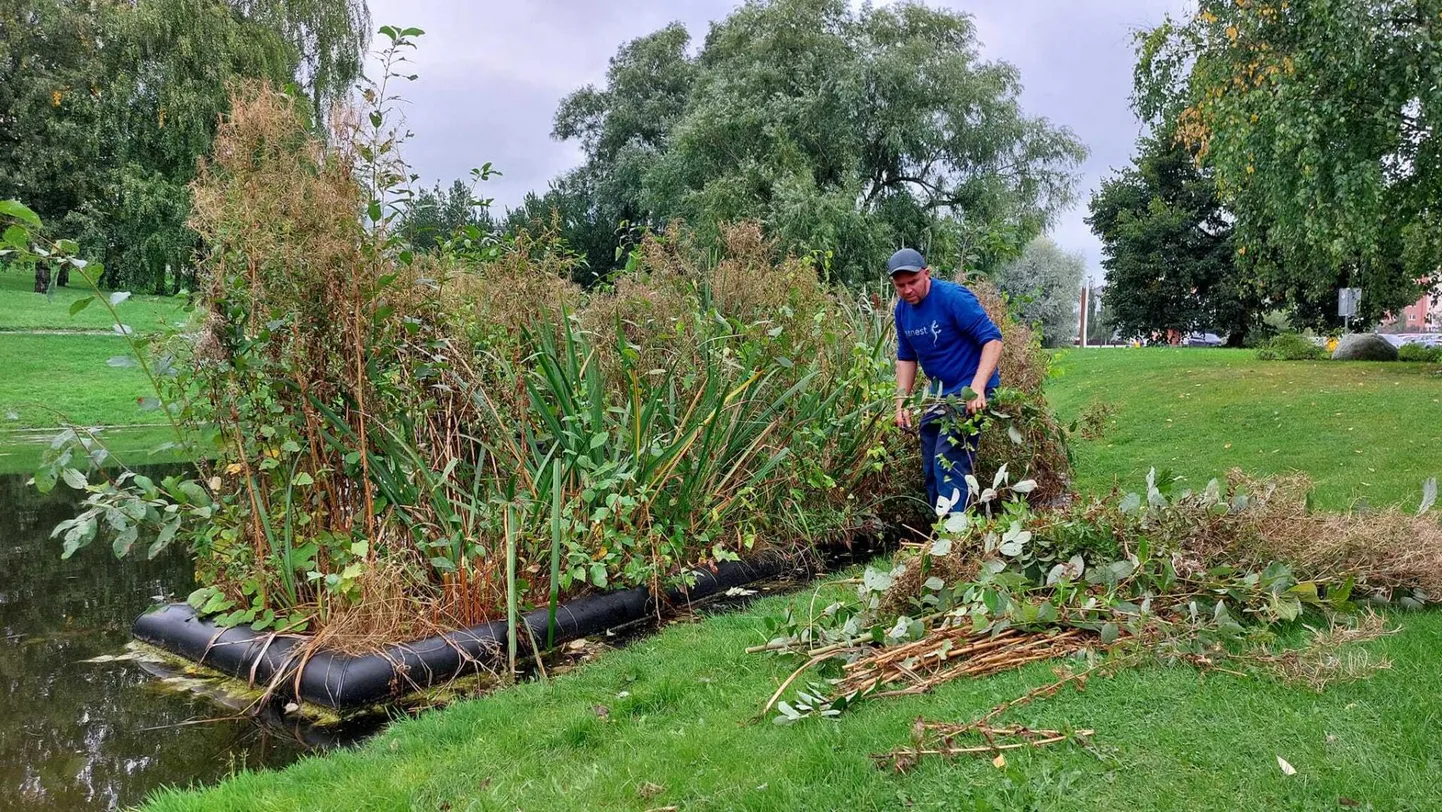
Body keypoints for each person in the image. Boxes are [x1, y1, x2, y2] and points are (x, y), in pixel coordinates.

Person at [889, 247, 1004, 515]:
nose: (907, 291)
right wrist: (901, 403)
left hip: (968, 393)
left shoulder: (952, 298)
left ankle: (956, 533)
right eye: (900, 286)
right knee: (931, 464)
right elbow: (906, 358)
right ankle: (943, 531)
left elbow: (993, 340)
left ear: (926, 274)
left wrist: (977, 387)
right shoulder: (902, 311)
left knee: (948, 461)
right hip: (939, 396)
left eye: (912, 282)